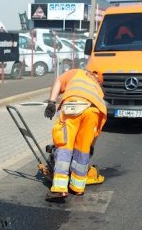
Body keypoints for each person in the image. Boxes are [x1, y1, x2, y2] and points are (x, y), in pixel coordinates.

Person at [43, 68, 107, 201]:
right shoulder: (97, 89)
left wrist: (51, 102)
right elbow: (95, 131)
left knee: (64, 146)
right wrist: (91, 146)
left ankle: (59, 189)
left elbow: (58, 81)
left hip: (74, 107)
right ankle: (77, 187)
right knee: (83, 149)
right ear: (99, 82)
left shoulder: (77, 72)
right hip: (94, 111)